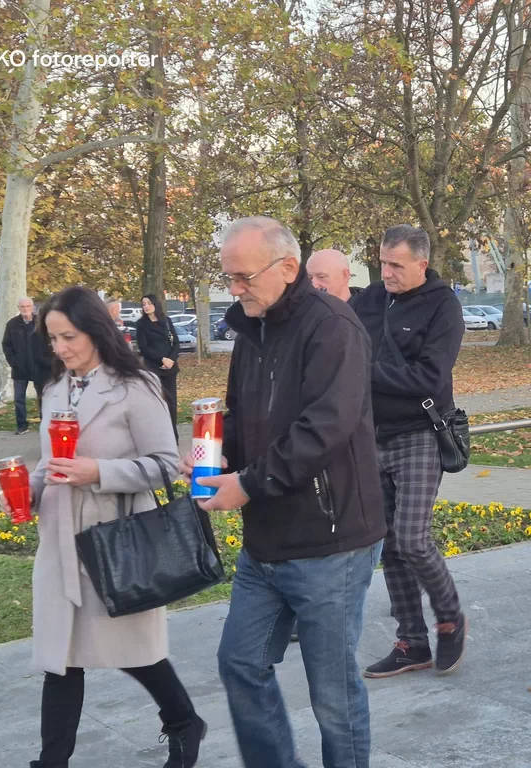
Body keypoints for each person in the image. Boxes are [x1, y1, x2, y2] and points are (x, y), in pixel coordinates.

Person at [180, 216, 385, 768]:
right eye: (228, 277)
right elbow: (246, 417)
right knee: (241, 663)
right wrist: (217, 453)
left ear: (288, 268)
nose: (234, 289)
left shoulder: (333, 327)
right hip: (267, 539)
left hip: (331, 540)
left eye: (242, 277)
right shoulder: (253, 327)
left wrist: (248, 484)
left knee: (332, 693)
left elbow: (325, 427)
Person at [0, 285, 206, 768]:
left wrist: (99, 472)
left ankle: (183, 720)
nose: (60, 348)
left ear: (95, 330)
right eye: (53, 339)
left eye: (68, 337)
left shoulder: (135, 386)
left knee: (136, 651)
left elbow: (165, 464)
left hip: (115, 539)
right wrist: (28, 490)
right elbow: (51, 462)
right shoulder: (55, 389)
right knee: (61, 658)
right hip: (60, 538)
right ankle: (52, 761)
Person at [351, 224, 468, 678]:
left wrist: (364, 370)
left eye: (396, 265)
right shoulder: (369, 300)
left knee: (413, 539)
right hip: (370, 436)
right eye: (382, 263)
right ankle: (411, 642)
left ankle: (450, 617)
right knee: (390, 545)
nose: (386, 273)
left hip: (419, 434)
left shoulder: (443, 305)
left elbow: (429, 378)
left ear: (422, 263)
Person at [136, 294, 181, 441]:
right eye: (144, 304)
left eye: (149, 303)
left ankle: (173, 436)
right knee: (156, 402)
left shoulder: (166, 321)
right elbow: (144, 348)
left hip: (170, 368)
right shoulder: (141, 324)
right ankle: (158, 436)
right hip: (153, 367)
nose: (146, 306)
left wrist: (171, 360)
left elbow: (176, 343)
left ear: (155, 304)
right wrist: (162, 359)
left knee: (171, 402)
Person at [2, 297, 48, 434]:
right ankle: (21, 425)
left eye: (28, 306)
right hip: (19, 368)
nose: (25, 309)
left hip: (38, 367)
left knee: (43, 397)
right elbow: (6, 345)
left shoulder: (41, 322)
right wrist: (14, 362)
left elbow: (47, 342)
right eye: (22, 306)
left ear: (32, 307)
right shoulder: (12, 324)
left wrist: (45, 361)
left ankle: (44, 423)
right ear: (18, 308)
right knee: (19, 399)